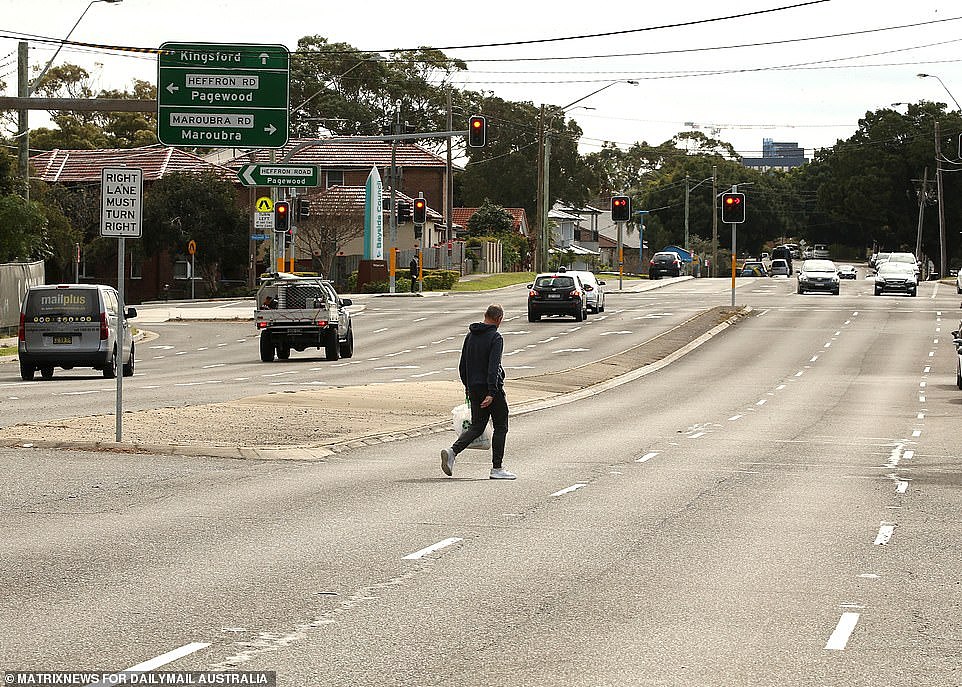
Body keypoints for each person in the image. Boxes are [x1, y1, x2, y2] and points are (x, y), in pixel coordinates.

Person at [440, 304, 515, 479]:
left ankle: (452, 452)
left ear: (485, 315)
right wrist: (491, 392)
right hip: (490, 389)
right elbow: (493, 367)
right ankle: (497, 469)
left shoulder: (470, 336)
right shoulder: (495, 337)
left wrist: (468, 387)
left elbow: (462, 365)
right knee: (501, 426)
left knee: (478, 425)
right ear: (499, 319)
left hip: (473, 387)